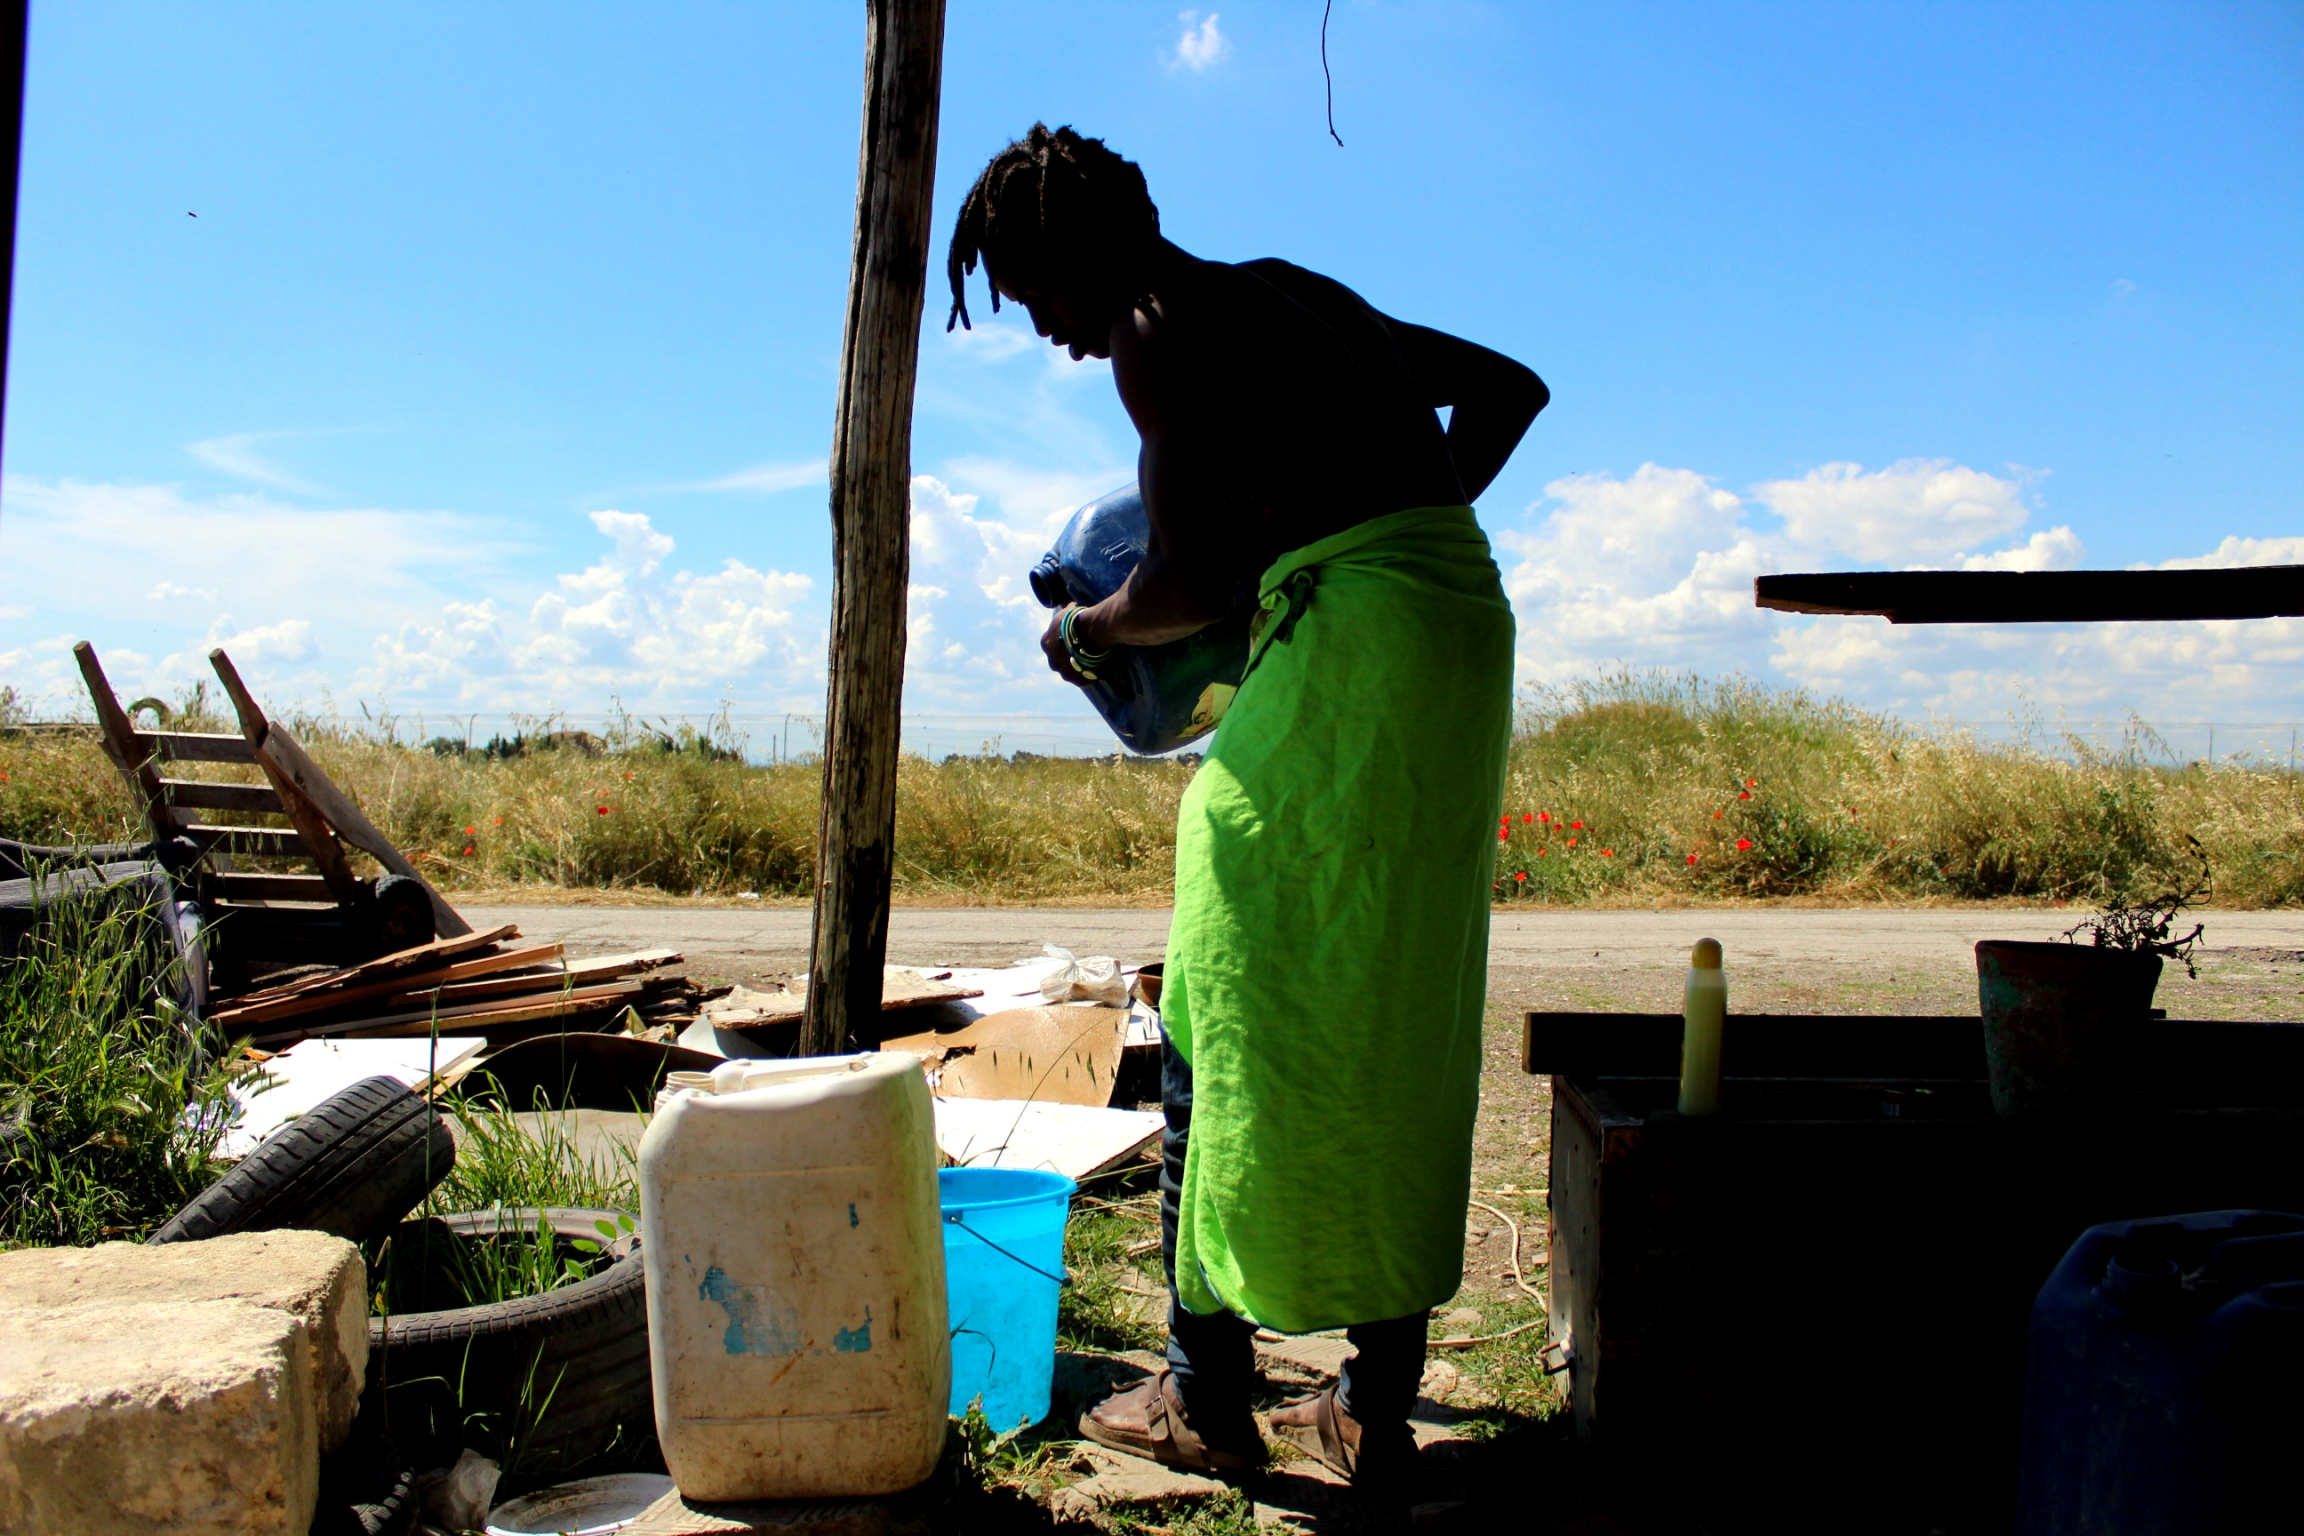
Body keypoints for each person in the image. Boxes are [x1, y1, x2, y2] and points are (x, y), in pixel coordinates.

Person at [946, 124, 1547, 1495]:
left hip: (1361, 647)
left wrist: (1090, 635)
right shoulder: (1292, 291)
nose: (1045, 331)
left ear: (1069, 263)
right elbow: (1511, 389)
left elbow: (1196, 580)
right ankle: (1370, 1406)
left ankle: (1205, 1397)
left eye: (1032, 292)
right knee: (1392, 990)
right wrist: (1388, 525)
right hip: (1454, 627)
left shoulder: (1159, 331)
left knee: (1220, 996)